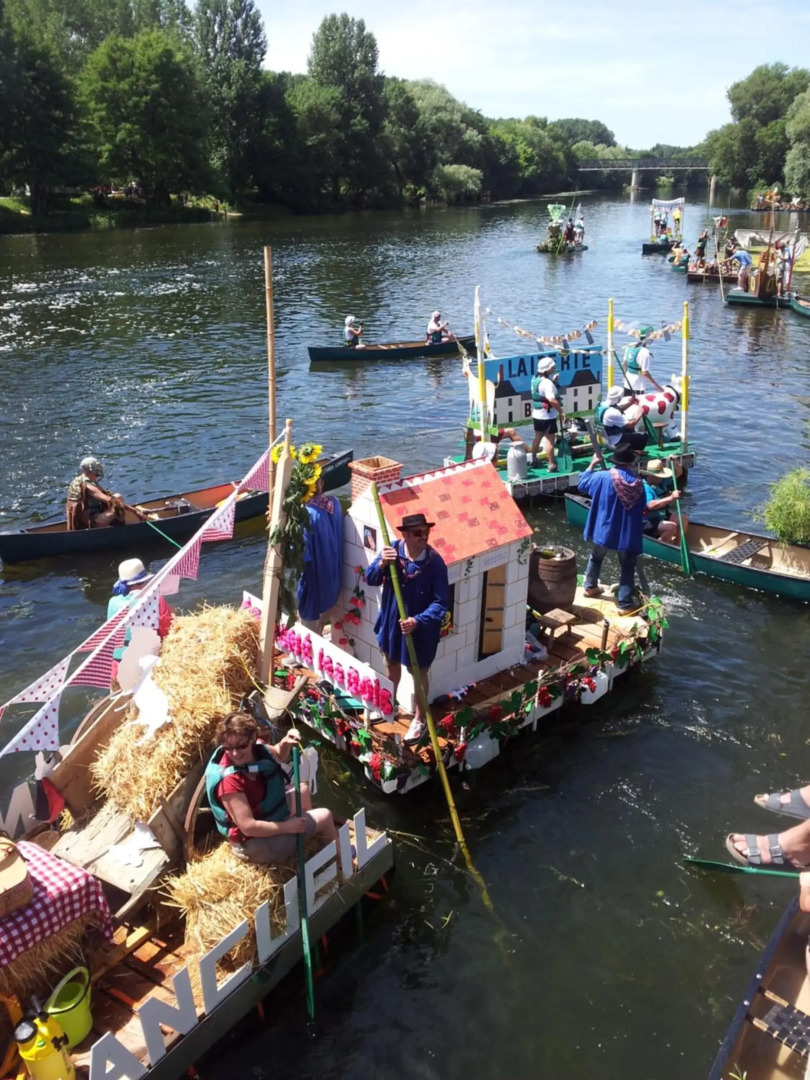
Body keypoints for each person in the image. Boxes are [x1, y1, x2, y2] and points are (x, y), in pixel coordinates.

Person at [205, 710, 339, 866]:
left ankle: (307, 841)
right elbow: (248, 827)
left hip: (266, 817)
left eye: (241, 746)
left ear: (253, 738)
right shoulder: (229, 782)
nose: (234, 753)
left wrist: (286, 742)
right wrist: (287, 827)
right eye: (227, 747)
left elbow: (277, 755)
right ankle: (341, 863)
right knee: (325, 816)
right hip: (253, 843)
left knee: (302, 790)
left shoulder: (257, 749)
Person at [364, 512, 449, 744]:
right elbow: (369, 578)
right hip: (393, 626)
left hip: (419, 630)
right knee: (391, 667)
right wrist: (382, 563)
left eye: (426, 532)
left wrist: (418, 620)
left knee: (419, 673)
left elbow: (441, 602)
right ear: (405, 535)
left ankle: (420, 718)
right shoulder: (391, 551)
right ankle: (388, 705)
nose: (424, 536)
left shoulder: (435, 563)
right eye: (418, 533)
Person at [577, 442, 647, 616]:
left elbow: (582, 483)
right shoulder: (638, 483)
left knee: (596, 557)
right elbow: (643, 506)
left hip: (604, 528)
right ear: (631, 463)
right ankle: (624, 604)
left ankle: (590, 587)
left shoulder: (602, 477)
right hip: (626, 532)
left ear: (614, 461)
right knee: (627, 566)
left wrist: (592, 463)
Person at [107, 558, 173, 684]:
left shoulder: (112, 602)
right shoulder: (155, 599)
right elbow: (168, 631)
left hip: (118, 667)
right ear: (144, 581)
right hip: (145, 664)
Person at [297, 477, 344, 634]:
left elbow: (300, 558)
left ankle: (306, 655)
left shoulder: (306, 516)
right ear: (322, 483)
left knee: (309, 631)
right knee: (323, 619)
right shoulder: (335, 504)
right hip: (333, 581)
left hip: (315, 586)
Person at [66, 456, 132, 530]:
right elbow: (111, 501)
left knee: (117, 496)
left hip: (86, 517)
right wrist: (137, 511)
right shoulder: (88, 486)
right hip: (90, 522)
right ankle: (121, 530)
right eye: (96, 471)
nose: (97, 473)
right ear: (91, 470)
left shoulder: (79, 480)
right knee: (118, 508)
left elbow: (108, 495)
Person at [530, 357, 564, 473]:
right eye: (552, 367)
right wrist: (561, 411)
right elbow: (552, 400)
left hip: (537, 414)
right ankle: (552, 464)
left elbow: (541, 392)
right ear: (547, 369)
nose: (553, 369)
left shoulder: (534, 379)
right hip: (547, 415)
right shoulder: (546, 383)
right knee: (550, 440)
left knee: (537, 437)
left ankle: (534, 460)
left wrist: (553, 382)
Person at [640, 461, 685, 545]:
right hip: (647, 520)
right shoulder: (645, 487)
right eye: (659, 476)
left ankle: (678, 545)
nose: (661, 478)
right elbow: (650, 505)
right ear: (651, 475)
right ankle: (661, 545)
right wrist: (671, 498)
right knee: (671, 527)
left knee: (683, 519)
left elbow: (678, 474)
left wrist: (676, 462)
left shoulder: (660, 482)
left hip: (661, 515)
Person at [593, 385, 648, 452]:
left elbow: (617, 409)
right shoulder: (613, 412)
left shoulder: (601, 405)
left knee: (630, 431)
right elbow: (630, 425)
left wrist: (630, 403)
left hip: (602, 438)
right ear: (619, 398)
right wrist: (640, 413)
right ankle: (635, 453)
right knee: (643, 437)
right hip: (614, 441)